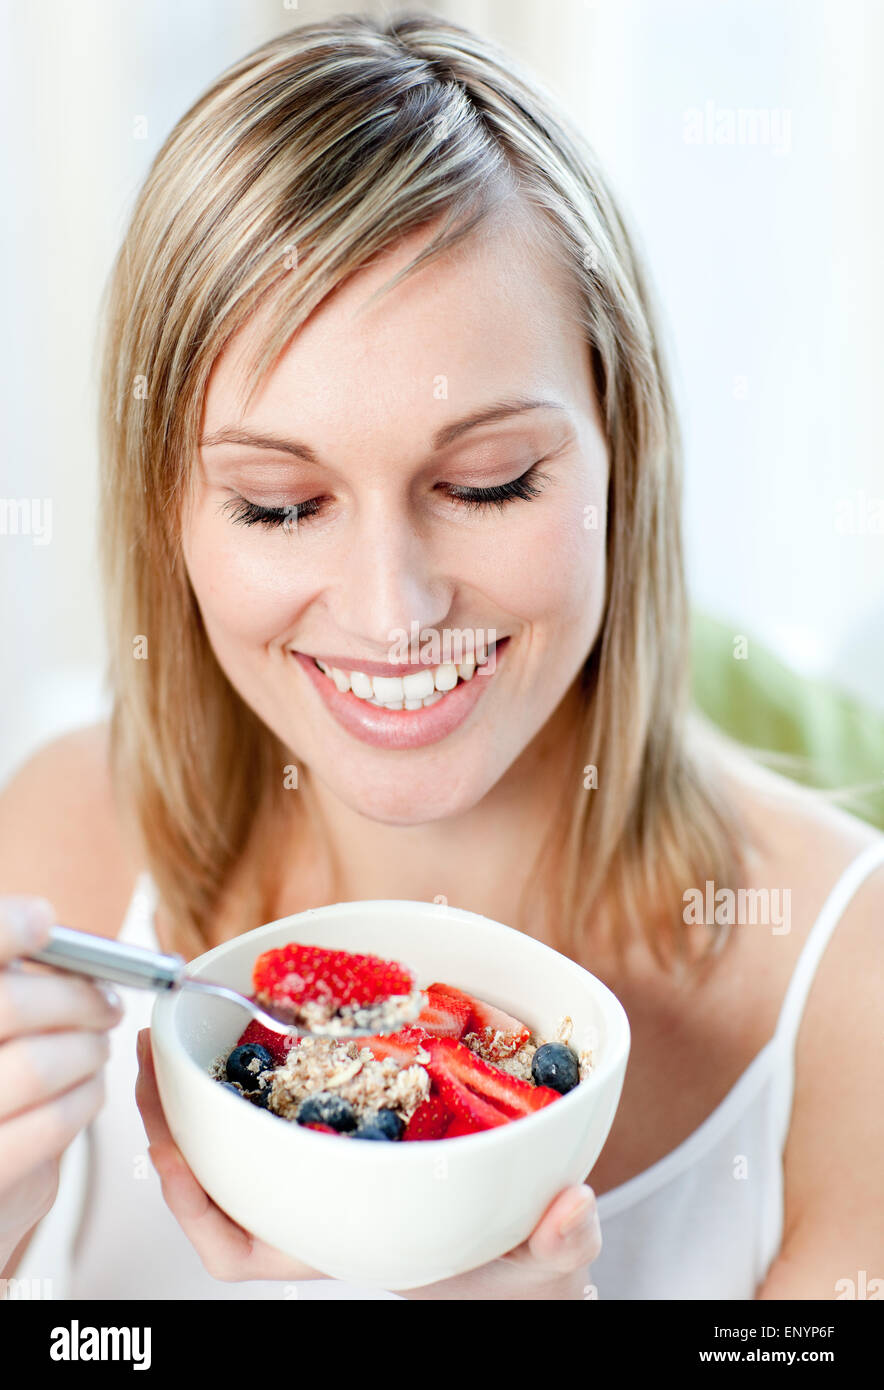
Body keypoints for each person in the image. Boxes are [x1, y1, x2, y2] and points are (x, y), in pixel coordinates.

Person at [1, 13, 881, 1302]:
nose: (393, 612)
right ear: (168, 519)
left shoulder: (851, 986)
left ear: (620, 462)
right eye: (280, 507)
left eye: (486, 484)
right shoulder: (62, 845)